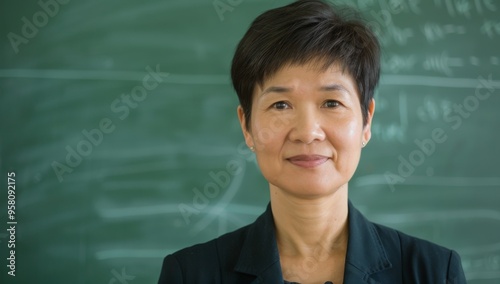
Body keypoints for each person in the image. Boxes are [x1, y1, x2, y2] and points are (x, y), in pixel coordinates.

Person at [158, 0, 467, 283]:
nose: (307, 132)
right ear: (247, 125)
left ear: (366, 121)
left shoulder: (433, 271)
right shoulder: (191, 274)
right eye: (280, 105)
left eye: (331, 103)